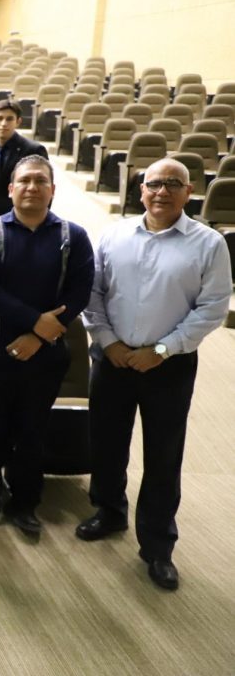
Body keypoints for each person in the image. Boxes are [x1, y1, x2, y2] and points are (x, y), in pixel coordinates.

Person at [77, 158, 232, 591]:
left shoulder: (208, 244)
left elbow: (213, 308)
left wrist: (161, 350)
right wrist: (109, 342)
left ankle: (158, 546)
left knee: (163, 455)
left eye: (173, 184)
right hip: (112, 358)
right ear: (140, 190)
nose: (162, 191)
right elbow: (93, 294)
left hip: (169, 365)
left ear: (189, 191)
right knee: (106, 442)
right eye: (154, 184)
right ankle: (109, 511)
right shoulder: (114, 235)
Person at [0, 155, 94, 535]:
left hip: (46, 353)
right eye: (24, 181)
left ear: (52, 190)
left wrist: (38, 335)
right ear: (10, 189)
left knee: (33, 432)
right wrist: (35, 321)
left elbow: (80, 292)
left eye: (40, 181)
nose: (32, 187)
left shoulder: (73, 236)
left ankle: (24, 503)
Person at [0, 99, 48, 220]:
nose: (4, 123)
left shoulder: (33, 149)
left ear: (18, 122)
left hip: (21, 219)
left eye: (9, 119)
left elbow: (45, 187)